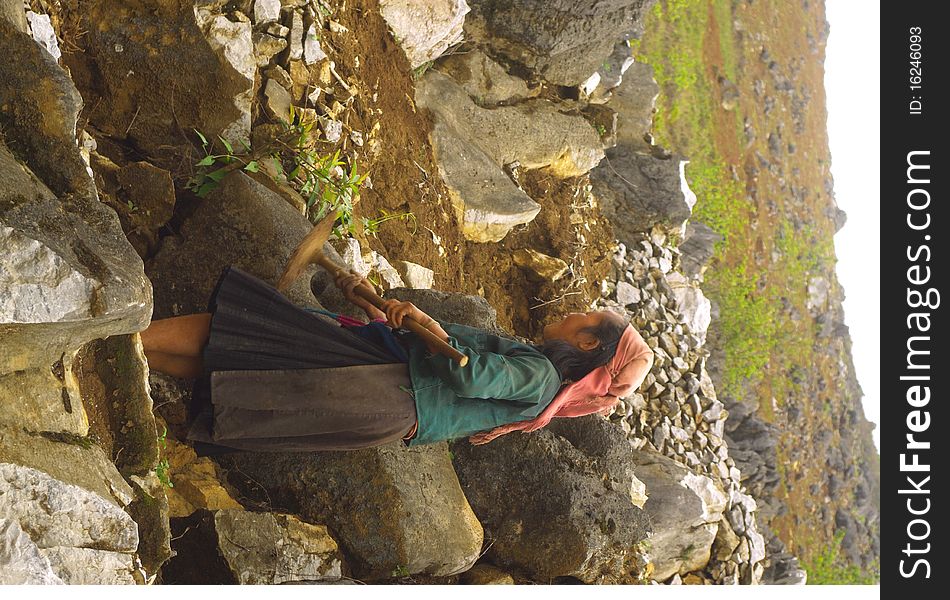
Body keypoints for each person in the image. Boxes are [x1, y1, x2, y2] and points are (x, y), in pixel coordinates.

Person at [140, 265, 654, 453]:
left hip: (388, 387)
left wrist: (422, 323)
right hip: (390, 388)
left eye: (583, 315)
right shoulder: (537, 373)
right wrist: (373, 300)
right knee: (244, 362)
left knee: (247, 337)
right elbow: (438, 343)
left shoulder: (539, 377)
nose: (572, 312)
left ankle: (126, 338)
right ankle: (128, 347)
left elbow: (467, 371)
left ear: (588, 345)